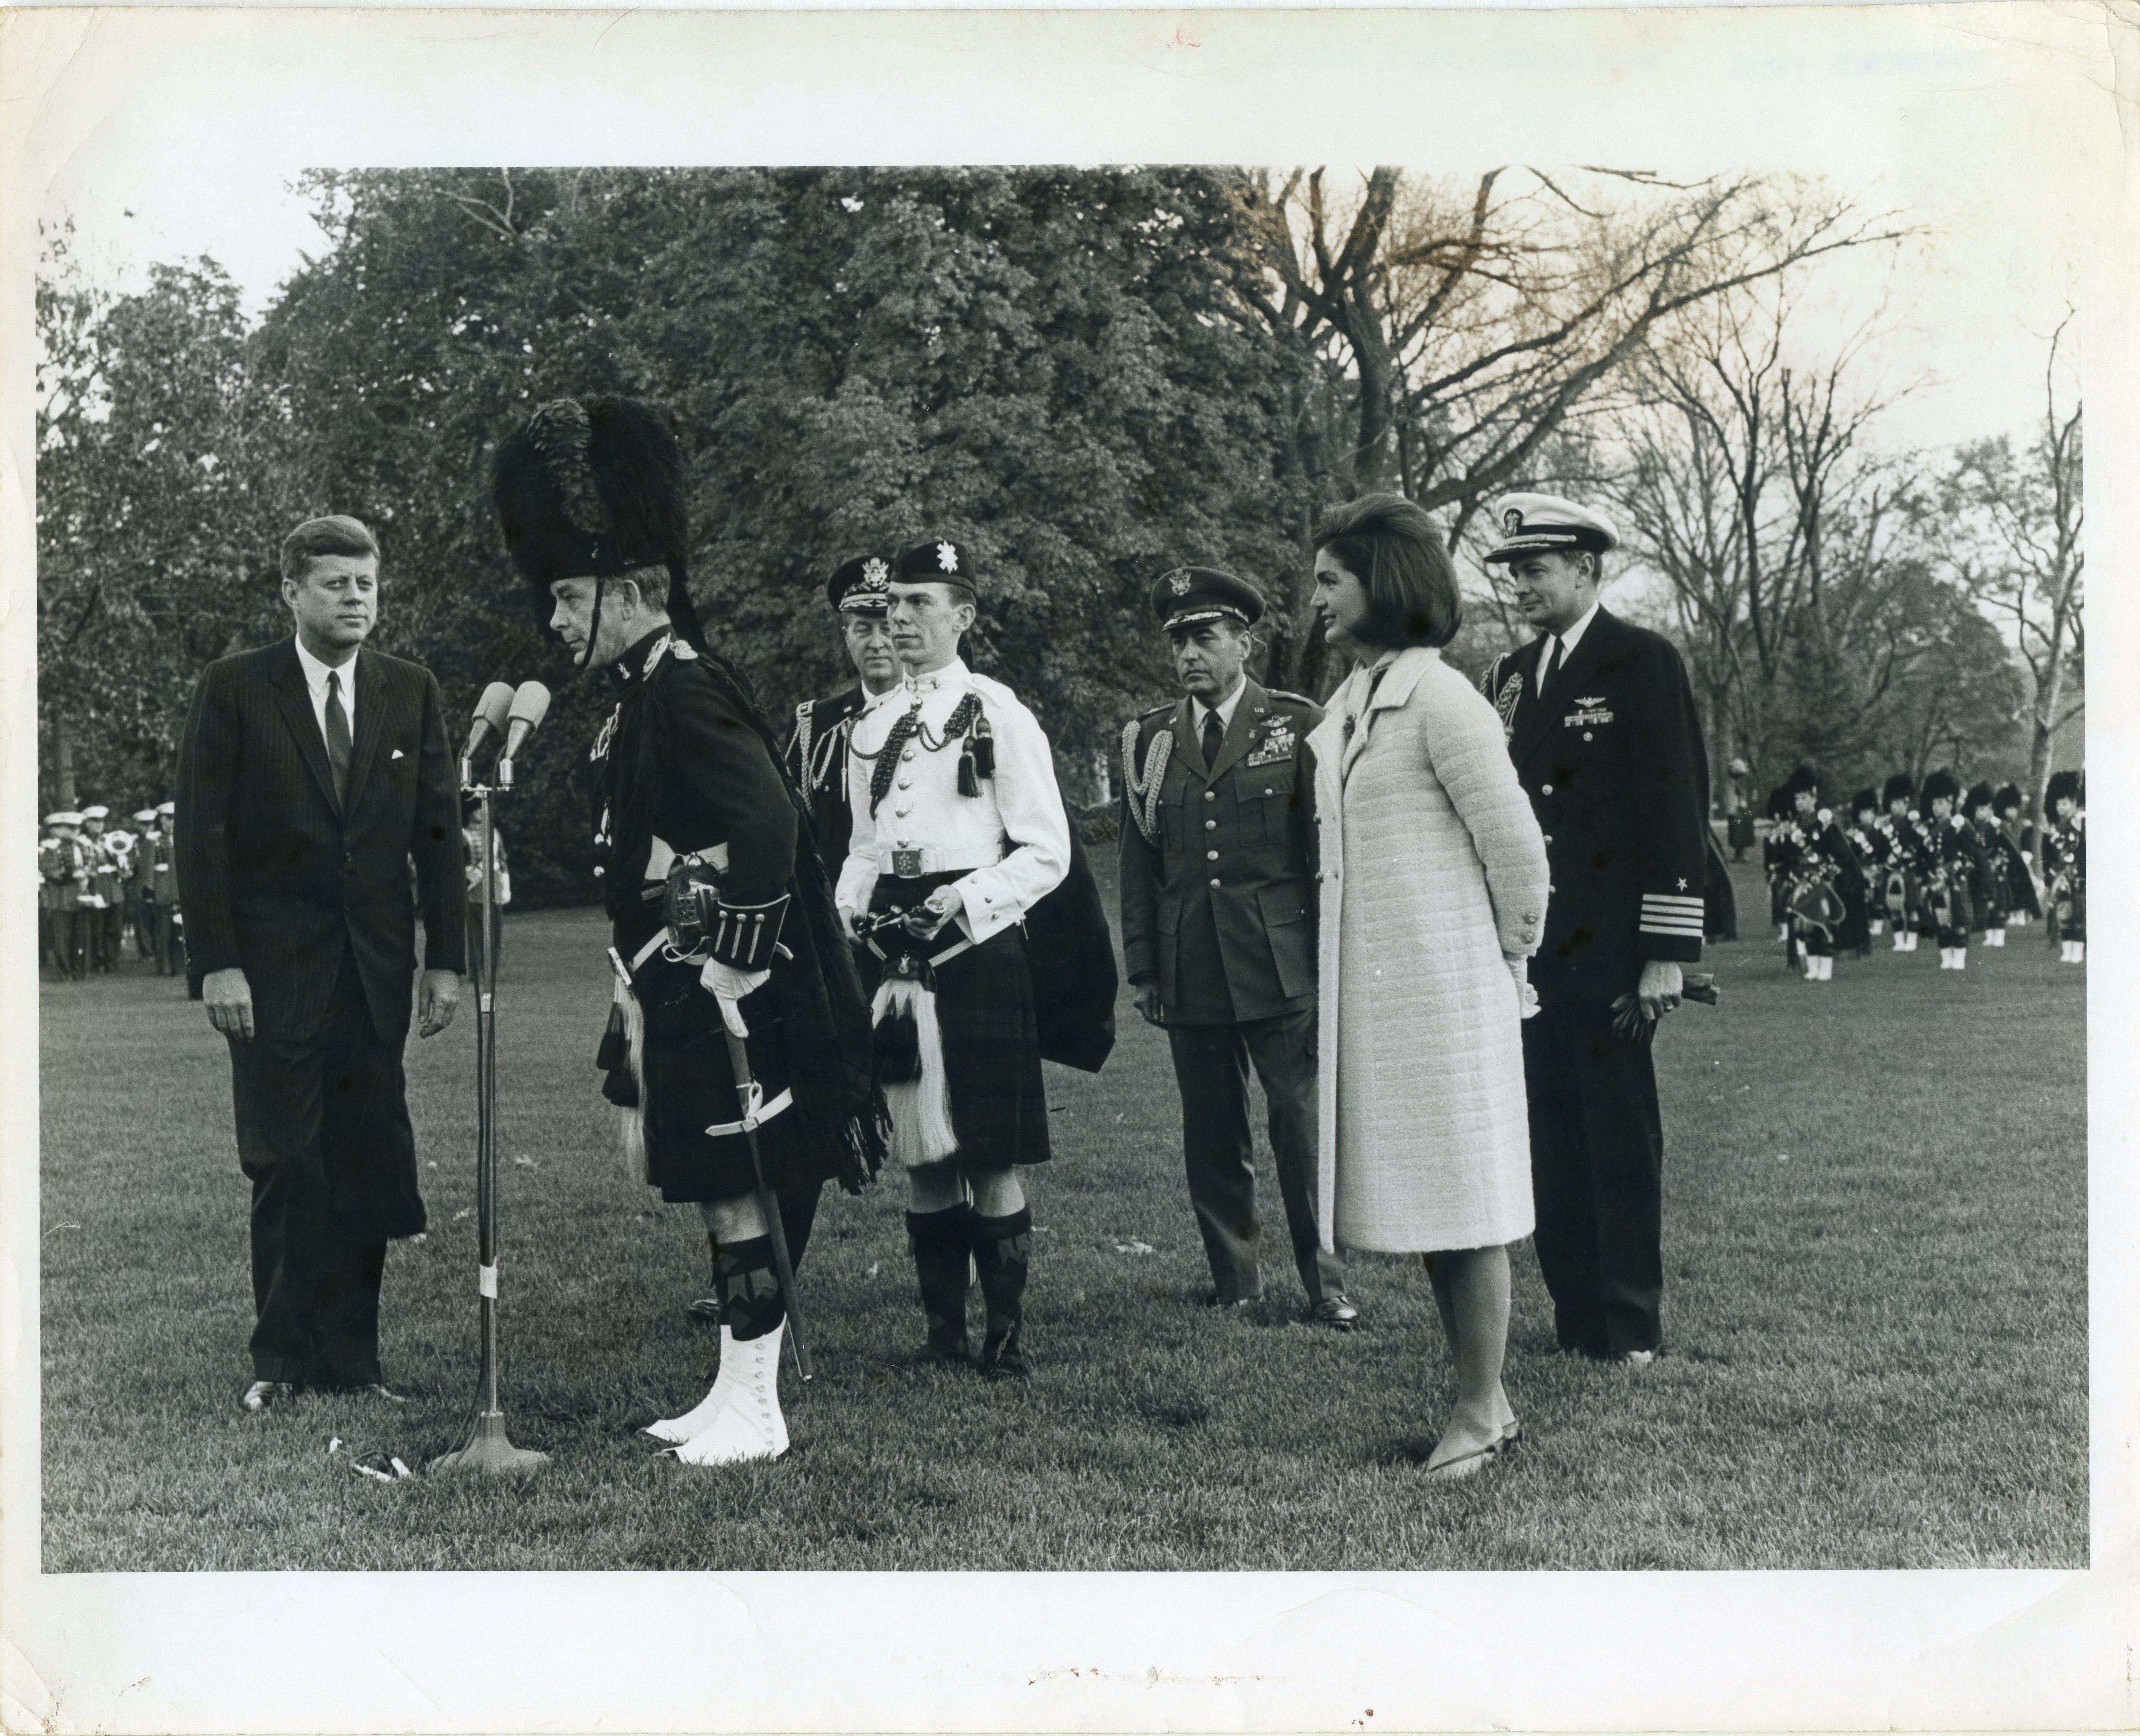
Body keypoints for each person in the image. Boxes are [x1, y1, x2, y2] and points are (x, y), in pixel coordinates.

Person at [494, 395, 882, 1464]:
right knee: (719, 1191)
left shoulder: (685, 687)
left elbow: (766, 819)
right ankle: (732, 1390)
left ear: (628, 592)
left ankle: (759, 1412)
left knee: (735, 1188)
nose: (556, 622)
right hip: (677, 978)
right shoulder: (635, 695)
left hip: (724, 987)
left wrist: (728, 954)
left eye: (570, 599)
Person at [175, 513, 466, 1413]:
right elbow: (201, 836)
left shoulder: (408, 690)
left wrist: (444, 961)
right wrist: (218, 964)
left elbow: (438, 834)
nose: (354, 598)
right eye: (335, 583)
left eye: (365, 583)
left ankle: (353, 1361)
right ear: (291, 592)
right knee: (287, 1161)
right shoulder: (235, 688)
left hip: (372, 977)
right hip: (269, 978)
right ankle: (281, 1360)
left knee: (364, 1160)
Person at [1305, 494, 1547, 1477]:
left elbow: (1518, 853)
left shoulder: (1443, 703)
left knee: (1467, 1200)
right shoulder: (1351, 704)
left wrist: (1496, 963)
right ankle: (1480, 1397)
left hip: (1448, 999)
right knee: (1439, 1207)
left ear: (1384, 584)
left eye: (1330, 580)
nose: (1314, 599)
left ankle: (1482, 1408)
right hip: (1384, 1003)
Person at [839, 537, 1107, 1378]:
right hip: (896, 956)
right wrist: (844, 913)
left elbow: (1046, 851)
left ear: (963, 615)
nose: (902, 620)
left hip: (978, 948)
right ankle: (940, 1334)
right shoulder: (873, 725)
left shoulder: (998, 712)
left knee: (988, 1152)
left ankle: (1003, 1338)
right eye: (894, 605)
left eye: (922, 604)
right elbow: (861, 846)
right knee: (922, 1151)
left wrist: (969, 899)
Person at [1479, 492, 1709, 1367]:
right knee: (1547, 1133)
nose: (1521, 588)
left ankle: (1626, 1324)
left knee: (1614, 1137)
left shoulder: (1639, 661)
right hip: (1535, 951)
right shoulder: (1506, 675)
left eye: (1534, 570)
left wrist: (1664, 953)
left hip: (1613, 950)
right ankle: (1573, 1314)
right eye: (1513, 574)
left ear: (1584, 568)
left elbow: (1673, 810)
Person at [1117, 565, 1354, 1326]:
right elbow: (1139, 863)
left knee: (1299, 1125)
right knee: (1211, 1129)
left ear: (1243, 643)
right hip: (1191, 963)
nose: (1188, 653)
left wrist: (1329, 953)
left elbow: (1327, 850)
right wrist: (1146, 966)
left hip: (1280, 960)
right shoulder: (1150, 740)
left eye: (1204, 635)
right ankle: (1235, 1279)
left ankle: (1327, 1283)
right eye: (1177, 640)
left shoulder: (1298, 722)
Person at [786, 555, 905, 880]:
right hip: (840, 915)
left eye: (888, 628)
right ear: (846, 635)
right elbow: (797, 836)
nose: (877, 643)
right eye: (863, 629)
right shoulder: (816, 725)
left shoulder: (940, 717)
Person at [1916, 769, 1987, 971]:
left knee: (1959, 918)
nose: (1936, 808)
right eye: (1934, 803)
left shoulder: (1960, 824)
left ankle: (1960, 957)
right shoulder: (1928, 828)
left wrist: (1957, 869)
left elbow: (1974, 854)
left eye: (1941, 804)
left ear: (1950, 803)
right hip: (1936, 881)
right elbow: (1923, 856)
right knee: (1941, 920)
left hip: (1957, 880)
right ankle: (1946, 957)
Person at [1874, 775, 1930, 952]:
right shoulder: (1884, 825)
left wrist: (1909, 854)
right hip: (1891, 870)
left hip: (1909, 870)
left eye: (1901, 803)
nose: (1897, 807)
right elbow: (1880, 849)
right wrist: (1885, 859)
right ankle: (1899, 941)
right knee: (1894, 906)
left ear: (1907, 804)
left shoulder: (1914, 824)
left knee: (1912, 906)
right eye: (1894, 803)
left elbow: (1921, 847)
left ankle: (1912, 941)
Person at [38, 812, 88, 982]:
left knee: (78, 938)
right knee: (62, 939)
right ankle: (65, 972)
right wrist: (74, 875)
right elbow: (51, 873)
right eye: (71, 828)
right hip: (61, 900)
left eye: (77, 828)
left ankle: (77, 971)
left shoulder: (81, 847)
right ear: (61, 830)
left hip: (80, 899)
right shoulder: (52, 850)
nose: (75, 831)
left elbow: (89, 866)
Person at [2042, 770, 2085, 964]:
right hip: (2063, 875)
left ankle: (2078, 952)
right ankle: (2067, 952)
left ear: (2074, 802)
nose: (2060, 808)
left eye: (2065, 804)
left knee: (2079, 915)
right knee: (2063, 913)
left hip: (2078, 874)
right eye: (2058, 804)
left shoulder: (2080, 821)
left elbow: (2078, 848)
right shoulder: (2060, 825)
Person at [78, 806, 124, 972]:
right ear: (88, 824)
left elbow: (123, 863)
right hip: (96, 886)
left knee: (115, 928)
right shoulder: (81, 842)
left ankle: (112, 962)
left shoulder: (109, 840)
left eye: (101, 821)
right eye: (95, 822)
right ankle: (97, 961)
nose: (99, 825)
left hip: (113, 887)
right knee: (97, 928)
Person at [1992, 783, 2043, 930]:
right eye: (2011, 809)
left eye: (2015, 808)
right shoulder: (2002, 826)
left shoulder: (2015, 825)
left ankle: (2020, 916)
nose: (2014, 812)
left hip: (2016, 863)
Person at [1843, 789, 1890, 939]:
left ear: (1874, 812)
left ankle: (1878, 923)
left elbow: (1884, 851)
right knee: (1860, 897)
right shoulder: (1853, 833)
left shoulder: (1879, 832)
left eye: (1868, 812)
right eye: (1862, 813)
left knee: (1876, 897)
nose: (1865, 816)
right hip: (1860, 868)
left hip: (1875, 868)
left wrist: (1879, 865)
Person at [151, 800, 187, 979]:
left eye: (175, 818)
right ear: (162, 820)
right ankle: (163, 966)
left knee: (179, 931)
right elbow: (150, 869)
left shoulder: (184, 837)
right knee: (164, 931)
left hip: (180, 889)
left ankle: (179, 966)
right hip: (163, 890)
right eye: (168, 818)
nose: (172, 822)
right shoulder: (155, 840)